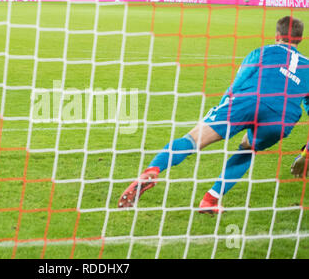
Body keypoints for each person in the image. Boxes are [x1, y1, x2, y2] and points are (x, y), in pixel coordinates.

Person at [118, 16, 309, 214]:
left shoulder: (263, 51)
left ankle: (153, 170)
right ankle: (210, 201)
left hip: (248, 101)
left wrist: (221, 109)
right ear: (300, 39)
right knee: (247, 148)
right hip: (282, 118)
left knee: (193, 139)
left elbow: (239, 82)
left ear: (277, 35)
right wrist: (306, 154)